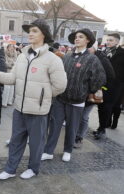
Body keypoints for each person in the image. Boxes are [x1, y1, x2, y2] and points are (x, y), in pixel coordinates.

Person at [0, 19, 67, 180]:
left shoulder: (53, 59)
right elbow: (14, 77)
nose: (30, 33)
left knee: (36, 143)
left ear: (44, 34)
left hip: (38, 110)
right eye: (29, 30)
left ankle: (33, 168)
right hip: (19, 108)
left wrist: (43, 98)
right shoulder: (22, 56)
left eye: (34, 31)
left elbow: (60, 86)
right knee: (16, 141)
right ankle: (10, 169)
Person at [42, 28, 106, 163]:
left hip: (77, 101)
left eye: (81, 37)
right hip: (60, 98)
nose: (77, 39)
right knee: (54, 126)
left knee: (72, 128)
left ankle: (67, 150)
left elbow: (100, 78)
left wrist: (86, 90)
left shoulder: (91, 59)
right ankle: (48, 151)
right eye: (76, 37)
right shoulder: (67, 56)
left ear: (88, 40)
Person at [74, 41, 115, 147]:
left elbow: (110, 76)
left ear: (93, 48)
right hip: (79, 91)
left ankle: (79, 137)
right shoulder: (82, 55)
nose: (86, 50)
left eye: (89, 48)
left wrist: (97, 88)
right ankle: (74, 134)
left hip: (91, 92)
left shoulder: (101, 59)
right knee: (77, 114)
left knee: (83, 116)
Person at [94, 33, 124, 139]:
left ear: (117, 42)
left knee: (108, 106)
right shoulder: (103, 53)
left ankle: (102, 129)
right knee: (101, 106)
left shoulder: (122, 53)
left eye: (110, 40)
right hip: (104, 84)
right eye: (107, 40)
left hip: (116, 86)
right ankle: (102, 126)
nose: (108, 42)